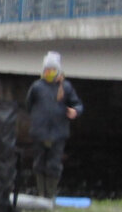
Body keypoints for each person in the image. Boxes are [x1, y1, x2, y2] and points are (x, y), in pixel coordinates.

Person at [25, 50, 83, 202]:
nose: (49, 73)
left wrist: (75, 111)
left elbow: (78, 104)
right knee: (39, 163)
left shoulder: (66, 87)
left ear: (58, 71)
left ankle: (50, 195)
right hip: (39, 133)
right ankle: (41, 194)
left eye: (52, 70)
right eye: (47, 70)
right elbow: (28, 104)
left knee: (54, 165)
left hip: (58, 133)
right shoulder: (37, 86)